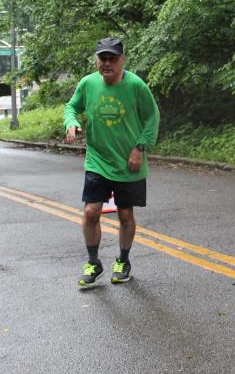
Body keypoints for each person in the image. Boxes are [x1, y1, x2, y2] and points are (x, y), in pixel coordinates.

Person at [64, 37, 159, 288]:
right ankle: (93, 262)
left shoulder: (136, 86)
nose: (107, 63)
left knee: (125, 214)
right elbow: (71, 107)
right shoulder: (88, 83)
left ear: (122, 60)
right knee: (90, 212)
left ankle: (123, 261)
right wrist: (71, 122)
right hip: (97, 160)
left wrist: (140, 147)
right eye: (102, 58)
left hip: (129, 162)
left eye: (112, 59)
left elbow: (152, 117)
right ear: (97, 60)